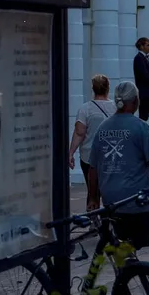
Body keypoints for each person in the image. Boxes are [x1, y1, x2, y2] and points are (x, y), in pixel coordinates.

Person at [89, 80, 149, 251]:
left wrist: (93, 198)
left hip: (111, 204)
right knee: (131, 249)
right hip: (135, 203)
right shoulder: (142, 128)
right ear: (135, 101)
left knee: (120, 249)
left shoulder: (102, 129)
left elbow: (93, 168)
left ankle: (124, 273)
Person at [67, 74, 113, 211]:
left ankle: (93, 218)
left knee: (92, 190)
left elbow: (79, 133)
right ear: (108, 88)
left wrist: (71, 153)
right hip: (111, 157)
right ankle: (109, 217)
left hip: (88, 156)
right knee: (109, 188)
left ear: (93, 89)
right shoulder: (116, 108)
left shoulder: (85, 109)